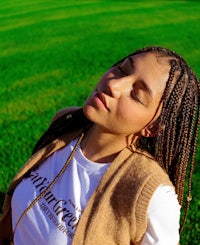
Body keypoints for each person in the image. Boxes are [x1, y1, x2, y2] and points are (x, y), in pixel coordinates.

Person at [0, 46, 199, 245]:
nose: (114, 85)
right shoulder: (66, 124)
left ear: (152, 128)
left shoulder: (152, 196)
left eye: (136, 94)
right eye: (122, 70)